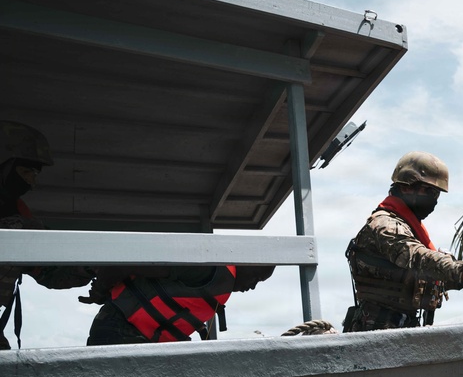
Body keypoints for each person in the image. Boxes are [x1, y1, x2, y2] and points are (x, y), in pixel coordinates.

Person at [344, 151, 463, 332]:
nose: (434, 201)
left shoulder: (408, 227)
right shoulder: (385, 225)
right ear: (407, 187)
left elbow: (414, 277)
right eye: (430, 192)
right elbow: (418, 258)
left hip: (398, 328)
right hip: (375, 330)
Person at [1, 121, 93, 349]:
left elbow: (48, 273)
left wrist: (89, 267)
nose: (32, 182)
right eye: (25, 171)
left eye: (34, 173)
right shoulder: (19, 224)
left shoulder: (19, 214)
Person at [80, 264, 275, 345]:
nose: (252, 286)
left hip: (147, 341)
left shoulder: (219, 284)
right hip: (120, 330)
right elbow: (127, 265)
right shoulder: (207, 268)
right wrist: (99, 290)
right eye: (256, 277)